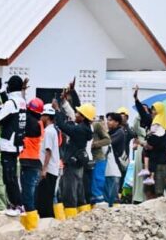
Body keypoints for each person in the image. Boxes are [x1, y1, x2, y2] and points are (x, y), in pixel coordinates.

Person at [52, 87, 95, 218]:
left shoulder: (79, 130)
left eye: (78, 114)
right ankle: (83, 217)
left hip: (72, 164)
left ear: (83, 117)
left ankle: (70, 220)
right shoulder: (86, 128)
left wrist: (57, 110)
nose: (75, 114)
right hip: (78, 164)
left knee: (69, 193)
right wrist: (70, 95)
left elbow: (62, 126)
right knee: (79, 192)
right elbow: (76, 109)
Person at [0, 75, 28, 217]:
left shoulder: (10, 103)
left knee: (9, 177)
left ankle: (17, 205)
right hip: (17, 144)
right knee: (12, 176)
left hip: (8, 144)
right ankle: (16, 205)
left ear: (10, 87)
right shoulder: (21, 101)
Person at [133, 85, 166, 198]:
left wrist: (149, 144)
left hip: (160, 163)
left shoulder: (165, 127)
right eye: (152, 109)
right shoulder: (151, 122)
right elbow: (143, 114)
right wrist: (136, 99)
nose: (152, 112)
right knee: (147, 191)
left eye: (154, 110)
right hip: (150, 162)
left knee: (158, 191)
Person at [18, 98, 44, 231]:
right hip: (35, 162)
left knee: (26, 195)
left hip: (27, 160)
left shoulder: (30, 123)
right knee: (29, 194)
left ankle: (31, 226)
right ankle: (30, 225)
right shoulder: (39, 124)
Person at [36, 104, 62, 219]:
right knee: (46, 196)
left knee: (45, 197)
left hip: (49, 169)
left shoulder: (49, 132)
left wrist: (44, 169)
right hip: (51, 168)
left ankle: (47, 218)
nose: (41, 117)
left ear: (47, 116)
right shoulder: (52, 130)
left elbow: (48, 151)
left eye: (43, 115)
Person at [105, 113, 125, 206]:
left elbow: (108, 142)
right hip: (110, 163)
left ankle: (115, 205)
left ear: (117, 122)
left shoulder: (120, 132)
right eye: (107, 120)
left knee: (113, 185)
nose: (108, 122)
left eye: (110, 120)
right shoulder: (110, 132)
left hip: (115, 164)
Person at [90, 118, 112, 204]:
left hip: (98, 157)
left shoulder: (96, 125)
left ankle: (99, 199)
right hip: (87, 159)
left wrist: (94, 144)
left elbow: (108, 140)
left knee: (98, 179)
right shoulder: (80, 125)